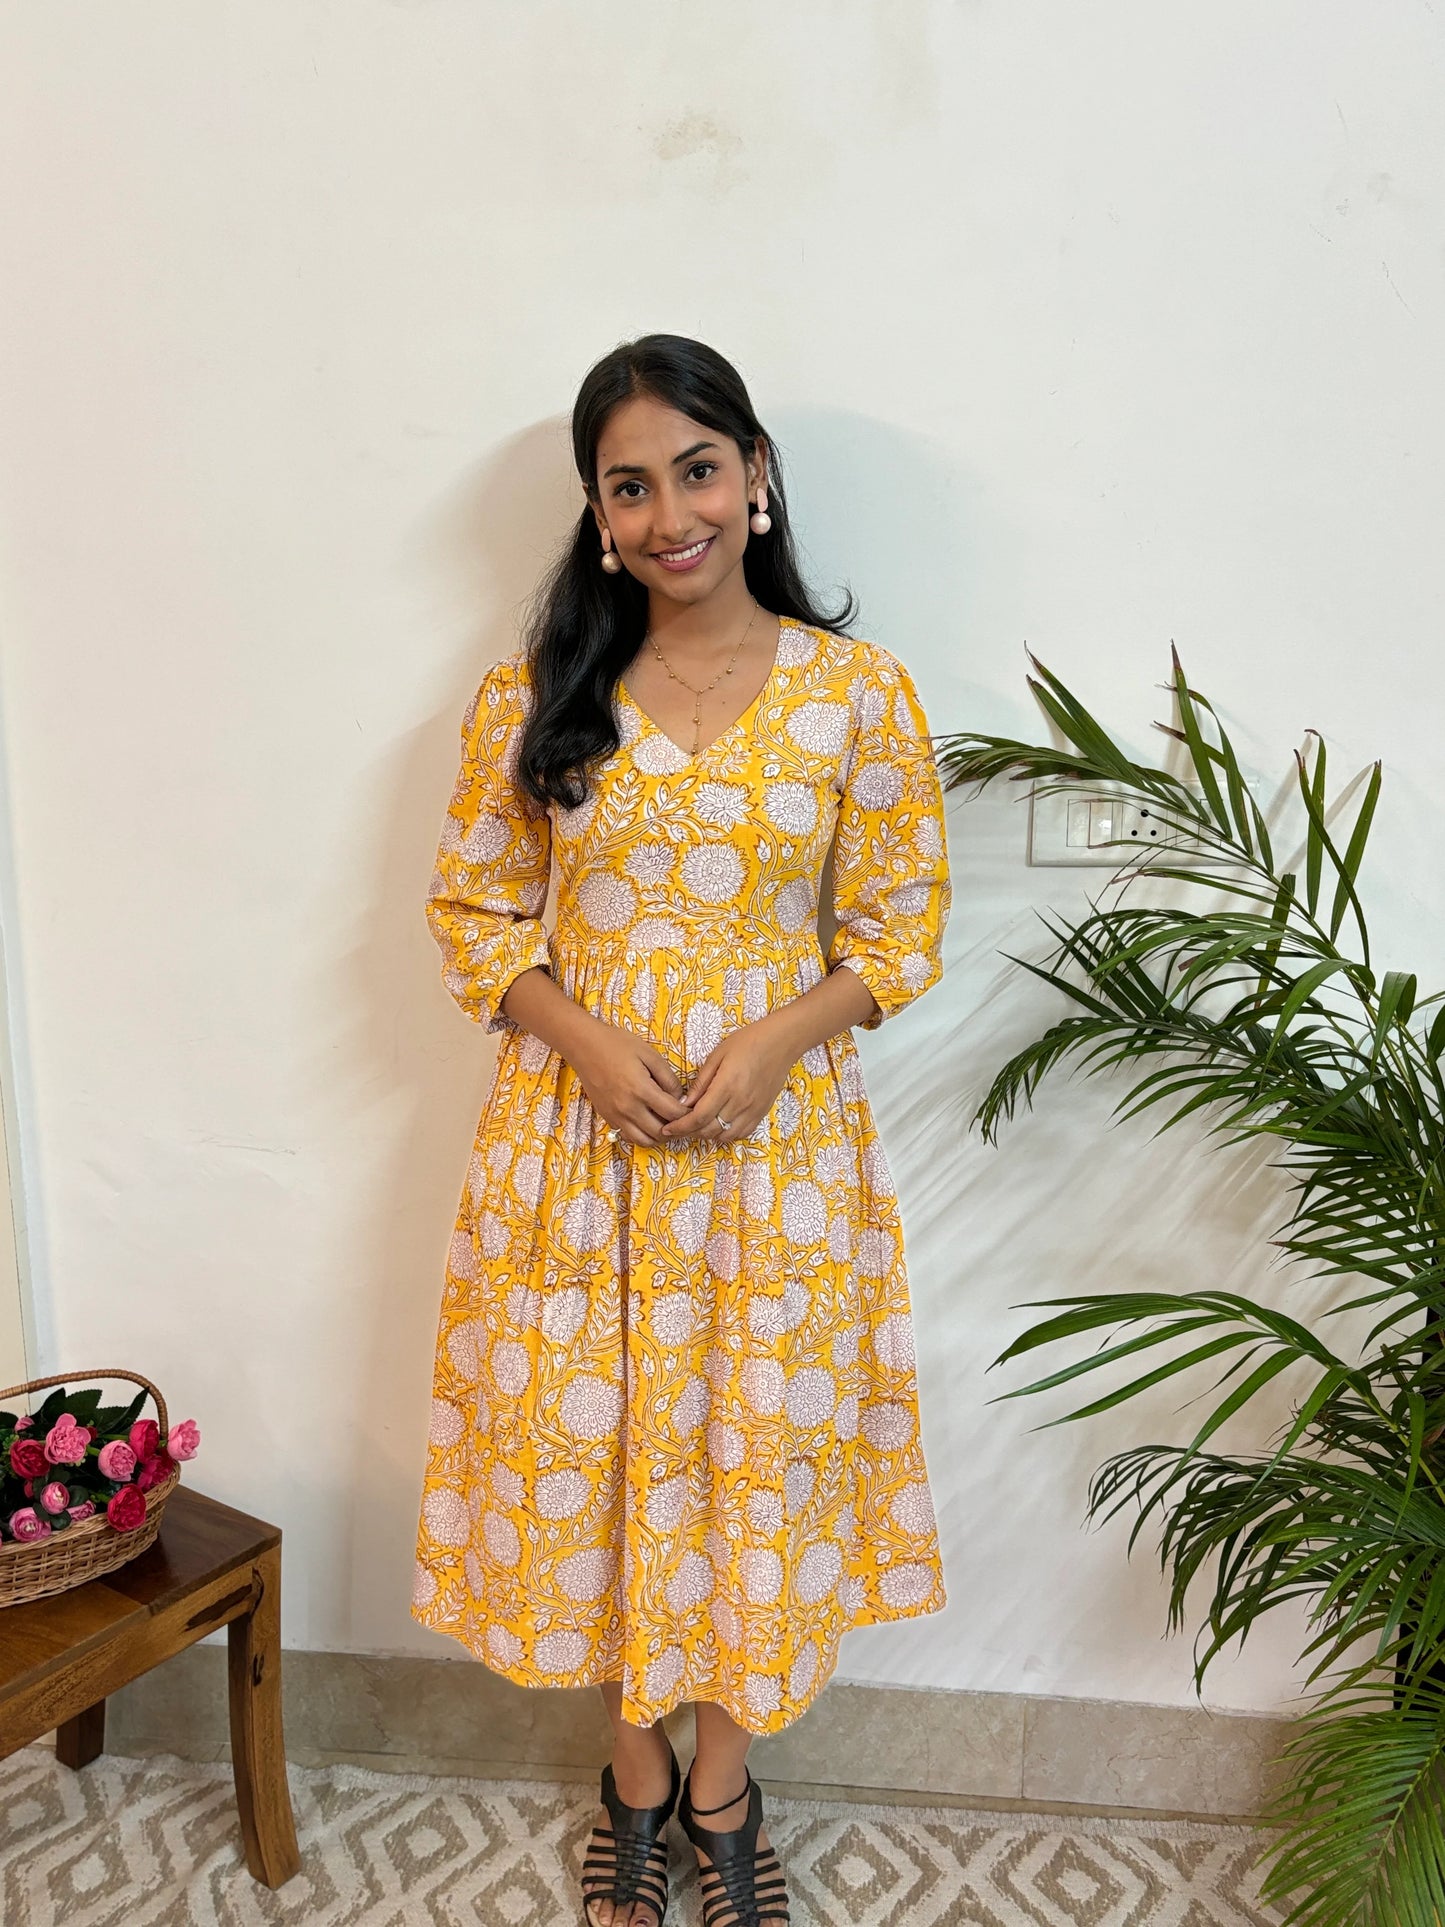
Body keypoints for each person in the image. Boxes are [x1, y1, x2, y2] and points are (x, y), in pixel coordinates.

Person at [412, 333, 951, 1927]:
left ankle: (723, 1795)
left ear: (756, 475)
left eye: (695, 470)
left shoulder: (858, 694)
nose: (667, 514)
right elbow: (471, 911)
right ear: (596, 514)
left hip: (772, 1167)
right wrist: (578, 1039)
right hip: (577, 1158)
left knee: (745, 1469)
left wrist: (781, 1040)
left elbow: (900, 924)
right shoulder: (537, 696)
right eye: (627, 485)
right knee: (599, 1466)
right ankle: (631, 1786)